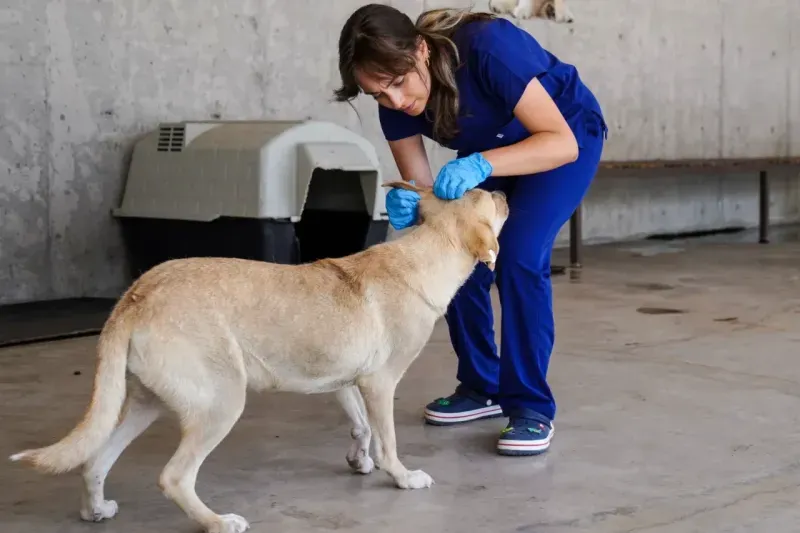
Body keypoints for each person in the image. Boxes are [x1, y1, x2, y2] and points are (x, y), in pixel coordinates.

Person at [334, 4, 607, 456]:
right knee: (447, 247)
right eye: (379, 95)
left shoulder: (487, 49)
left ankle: (529, 406)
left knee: (519, 256)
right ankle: (482, 385)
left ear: (420, 50)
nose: (396, 102)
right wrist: (413, 204)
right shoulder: (395, 104)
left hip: (563, 137)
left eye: (399, 84)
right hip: (495, 148)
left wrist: (480, 164)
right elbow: (426, 197)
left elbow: (559, 142)